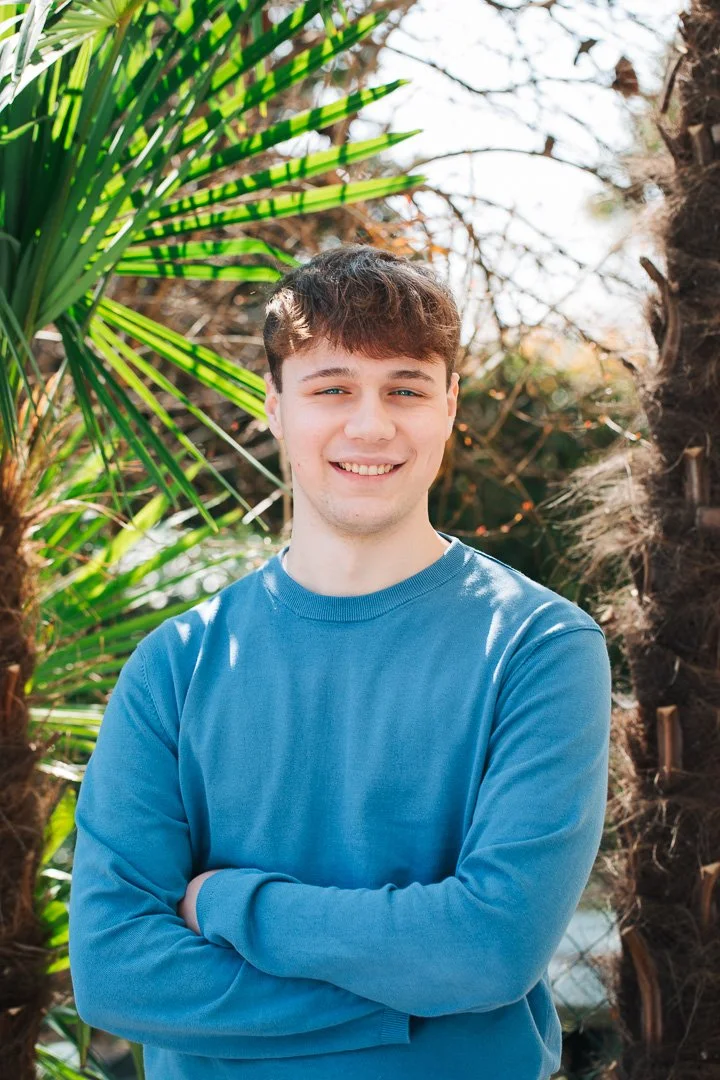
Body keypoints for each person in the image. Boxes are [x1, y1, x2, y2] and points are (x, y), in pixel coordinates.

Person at [68, 243, 612, 1079]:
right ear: (276, 407)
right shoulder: (174, 664)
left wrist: (225, 901)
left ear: (449, 406)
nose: (371, 424)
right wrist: (419, 1009)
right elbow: (115, 975)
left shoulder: (540, 649)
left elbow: (489, 950)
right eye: (331, 389)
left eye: (405, 388)